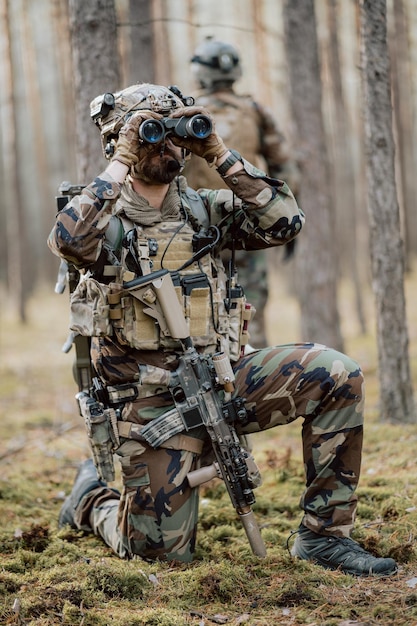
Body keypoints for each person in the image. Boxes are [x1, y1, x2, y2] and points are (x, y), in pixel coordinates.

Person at [48, 82, 396, 576]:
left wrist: (218, 152)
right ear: (119, 142)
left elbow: (285, 221)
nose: (164, 145)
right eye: (149, 135)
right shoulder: (104, 217)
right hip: (150, 406)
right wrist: (120, 163)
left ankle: (324, 537)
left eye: (172, 134)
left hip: (223, 379)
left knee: (335, 373)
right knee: (161, 555)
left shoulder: (202, 210)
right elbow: (67, 239)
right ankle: (91, 501)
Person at [184, 37, 301, 348]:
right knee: (250, 317)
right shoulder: (255, 111)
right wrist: (285, 217)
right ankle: (253, 380)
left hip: (193, 233)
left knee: (193, 318)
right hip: (246, 230)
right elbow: (285, 169)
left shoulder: (185, 114)